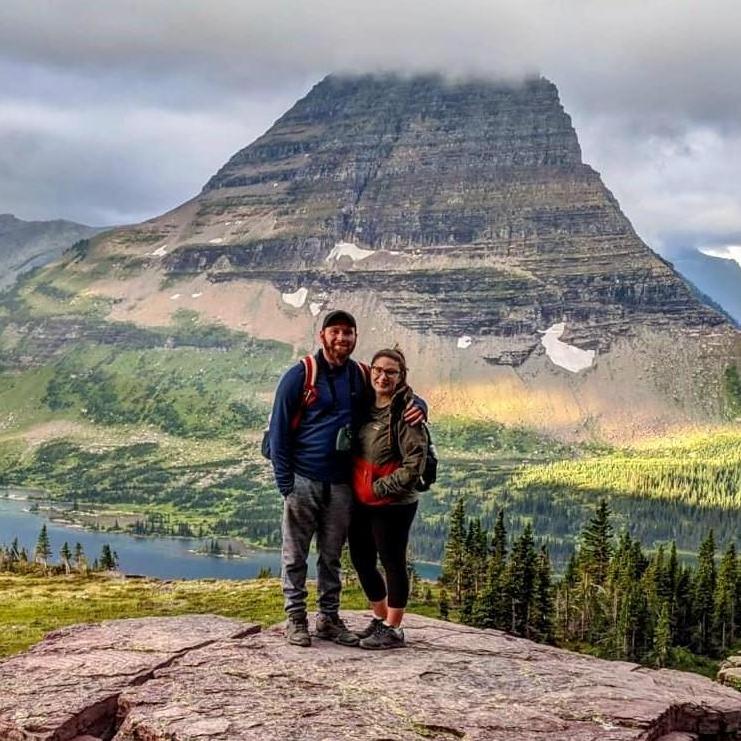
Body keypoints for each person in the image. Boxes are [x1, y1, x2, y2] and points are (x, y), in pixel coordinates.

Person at [268, 311, 424, 647]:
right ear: (322, 335)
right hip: (304, 479)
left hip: (341, 484)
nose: (342, 339)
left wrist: (419, 404)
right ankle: (296, 619)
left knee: (331, 555)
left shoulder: (360, 374)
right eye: (336, 332)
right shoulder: (300, 375)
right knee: (295, 554)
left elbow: (394, 390)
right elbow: (279, 431)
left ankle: (328, 618)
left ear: (355, 338)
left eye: (349, 333)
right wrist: (286, 483)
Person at [348, 347, 427, 650]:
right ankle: (380, 619)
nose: (382, 376)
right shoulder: (365, 403)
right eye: (378, 370)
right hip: (361, 500)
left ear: (401, 376)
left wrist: (381, 488)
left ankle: (394, 628)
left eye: (390, 372)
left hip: (393, 503)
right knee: (361, 559)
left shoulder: (407, 411)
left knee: (392, 560)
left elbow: (414, 464)